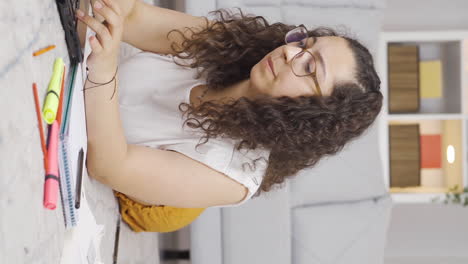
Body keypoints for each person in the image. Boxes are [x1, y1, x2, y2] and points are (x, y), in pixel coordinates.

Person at [78, 0, 383, 210]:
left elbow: (110, 165)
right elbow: (133, 17)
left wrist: (104, 72)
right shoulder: (229, 46)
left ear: (313, 115)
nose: (291, 53)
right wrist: (110, 10)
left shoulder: (235, 176)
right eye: (304, 44)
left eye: (309, 69)